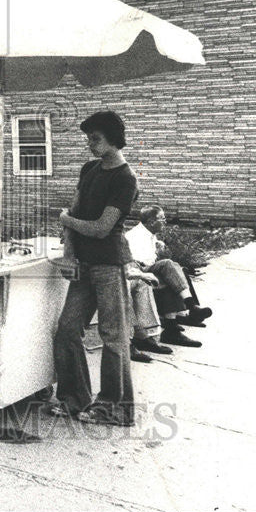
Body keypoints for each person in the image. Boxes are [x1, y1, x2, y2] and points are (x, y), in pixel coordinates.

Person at [52, 110, 139, 427]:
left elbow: (103, 228)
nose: (90, 144)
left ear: (114, 140)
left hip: (108, 265)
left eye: (96, 139)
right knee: (66, 330)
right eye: (88, 138)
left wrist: (66, 221)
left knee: (113, 336)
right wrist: (69, 254)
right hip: (83, 265)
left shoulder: (125, 179)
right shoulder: (89, 169)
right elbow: (75, 213)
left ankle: (116, 408)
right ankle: (74, 399)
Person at [125, 205, 212, 348]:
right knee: (168, 266)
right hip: (137, 271)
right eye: (162, 219)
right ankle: (190, 308)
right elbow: (137, 263)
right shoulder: (135, 236)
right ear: (152, 221)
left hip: (146, 268)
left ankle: (185, 315)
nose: (165, 222)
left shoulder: (150, 233)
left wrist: (157, 247)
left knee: (178, 269)